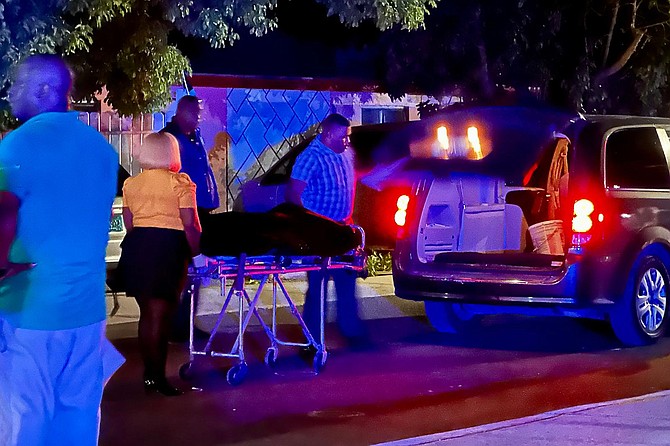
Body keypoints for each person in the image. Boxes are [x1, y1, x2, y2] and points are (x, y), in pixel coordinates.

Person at [0, 53, 125, 445]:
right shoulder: (101, 149)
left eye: (17, 84)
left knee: (27, 418)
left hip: (29, 310)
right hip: (87, 310)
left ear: (43, 90)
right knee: (79, 414)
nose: (9, 92)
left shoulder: (17, 146)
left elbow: (3, 210)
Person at [118, 132, 201, 396]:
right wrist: (198, 255)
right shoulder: (180, 182)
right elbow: (190, 224)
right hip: (167, 247)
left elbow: (128, 223)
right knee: (161, 316)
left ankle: (151, 376)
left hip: (139, 246)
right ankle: (158, 378)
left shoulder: (131, 183)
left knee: (148, 314)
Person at [285, 113, 367, 347]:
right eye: (343, 137)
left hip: (342, 228)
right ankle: (312, 338)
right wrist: (307, 224)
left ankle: (351, 332)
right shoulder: (310, 157)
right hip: (319, 230)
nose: (347, 142)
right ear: (328, 133)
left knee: (347, 282)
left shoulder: (346, 154)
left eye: (347, 137)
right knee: (318, 285)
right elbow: (293, 194)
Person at [161, 95, 218, 341]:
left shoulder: (195, 137)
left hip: (200, 210)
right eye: (196, 113)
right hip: (180, 212)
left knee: (195, 272)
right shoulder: (170, 138)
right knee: (180, 272)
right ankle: (174, 326)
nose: (200, 118)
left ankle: (187, 324)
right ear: (183, 112)